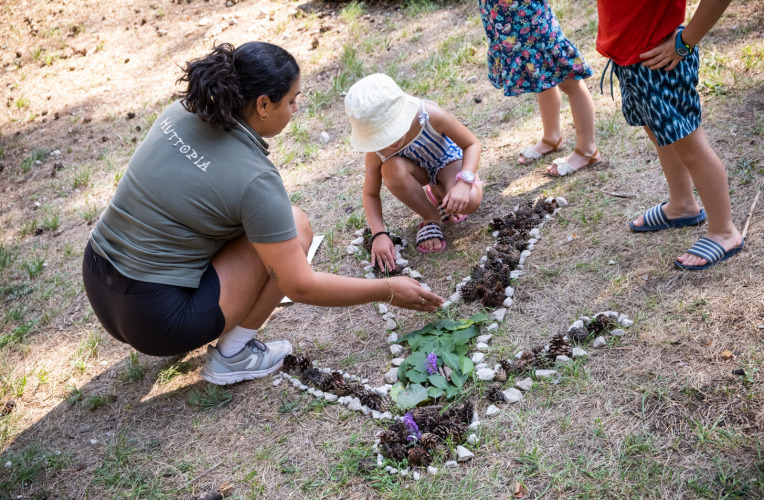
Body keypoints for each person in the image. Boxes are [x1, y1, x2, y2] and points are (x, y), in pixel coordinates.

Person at [81, 42, 443, 386]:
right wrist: (387, 290)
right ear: (264, 104)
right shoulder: (256, 180)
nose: (296, 108)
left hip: (99, 282)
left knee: (261, 228)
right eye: (292, 100)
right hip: (161, 323)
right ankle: (233, 354)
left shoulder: (181, 111)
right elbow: (299, 285)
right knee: (295, 225)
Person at [596, 0, 744, 270]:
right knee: (661, 136)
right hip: (632, 59)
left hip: (662, 60)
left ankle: (724, 231)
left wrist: (686, 41)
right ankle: (682, 204)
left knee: (690, 146)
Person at [344, 74, 484, 268]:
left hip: (448, 162)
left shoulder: (429, 116)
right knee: (390, 167)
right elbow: (369, 193)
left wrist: (464, 182)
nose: (391, 141)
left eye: (392, 129)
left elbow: (472, 144)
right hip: (418, 172)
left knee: (470, 201)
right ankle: (430, 216)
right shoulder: (377, 151)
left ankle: (443, 190)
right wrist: (379, 234)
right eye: (382, 136)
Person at [478, 0, 600, 176]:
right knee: (539, 75)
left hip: (527, 12)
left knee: (568, 79)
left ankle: (587, 150)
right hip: (500, 14)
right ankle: (552, 138)